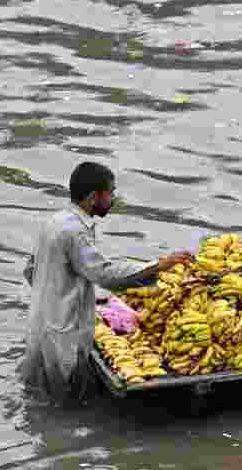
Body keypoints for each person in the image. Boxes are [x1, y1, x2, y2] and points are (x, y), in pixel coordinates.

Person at [19, 161, 193, 404]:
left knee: (38, 399)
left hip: (40, 325)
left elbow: (30, 270)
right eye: (110, 192)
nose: (113, 199)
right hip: (63, 335)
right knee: (65, 406)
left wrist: (59, 294)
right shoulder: (76, 232)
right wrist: (158, 265)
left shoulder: (55, 222)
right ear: (93, 197)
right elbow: (104, 273)